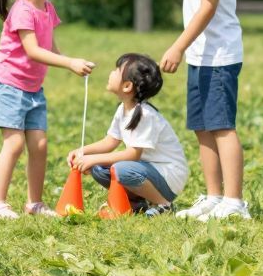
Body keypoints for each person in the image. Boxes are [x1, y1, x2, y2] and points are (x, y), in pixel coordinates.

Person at [126, 0, 250, 221]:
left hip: (219, 56)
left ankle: (234, 202)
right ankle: (213, 197)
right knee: (203, 127)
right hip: (203, 56)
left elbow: (207, 8)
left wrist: (178, 46)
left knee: (222, 126)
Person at [0, 0, 93, 219]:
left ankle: (34, 202)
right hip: (7, 85)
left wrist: (70, 61)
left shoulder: (47, 8)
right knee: (14, 144)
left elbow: (49, 46)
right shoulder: (22, 10)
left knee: (40, 145)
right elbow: (33, 50)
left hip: (32, 89)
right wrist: (68, 63)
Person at [67, 53, 188, 216]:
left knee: (120, 169)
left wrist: (94, 158)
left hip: (168, 177)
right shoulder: (123, 109)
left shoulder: (144, 114)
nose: (111, 73)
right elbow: (110, 141)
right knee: (98, 168)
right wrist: (82, 152)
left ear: (127, 86)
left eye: (117, 70)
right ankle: (136, 202)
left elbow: (132, 155)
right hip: (147, 171)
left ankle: (163, 204)